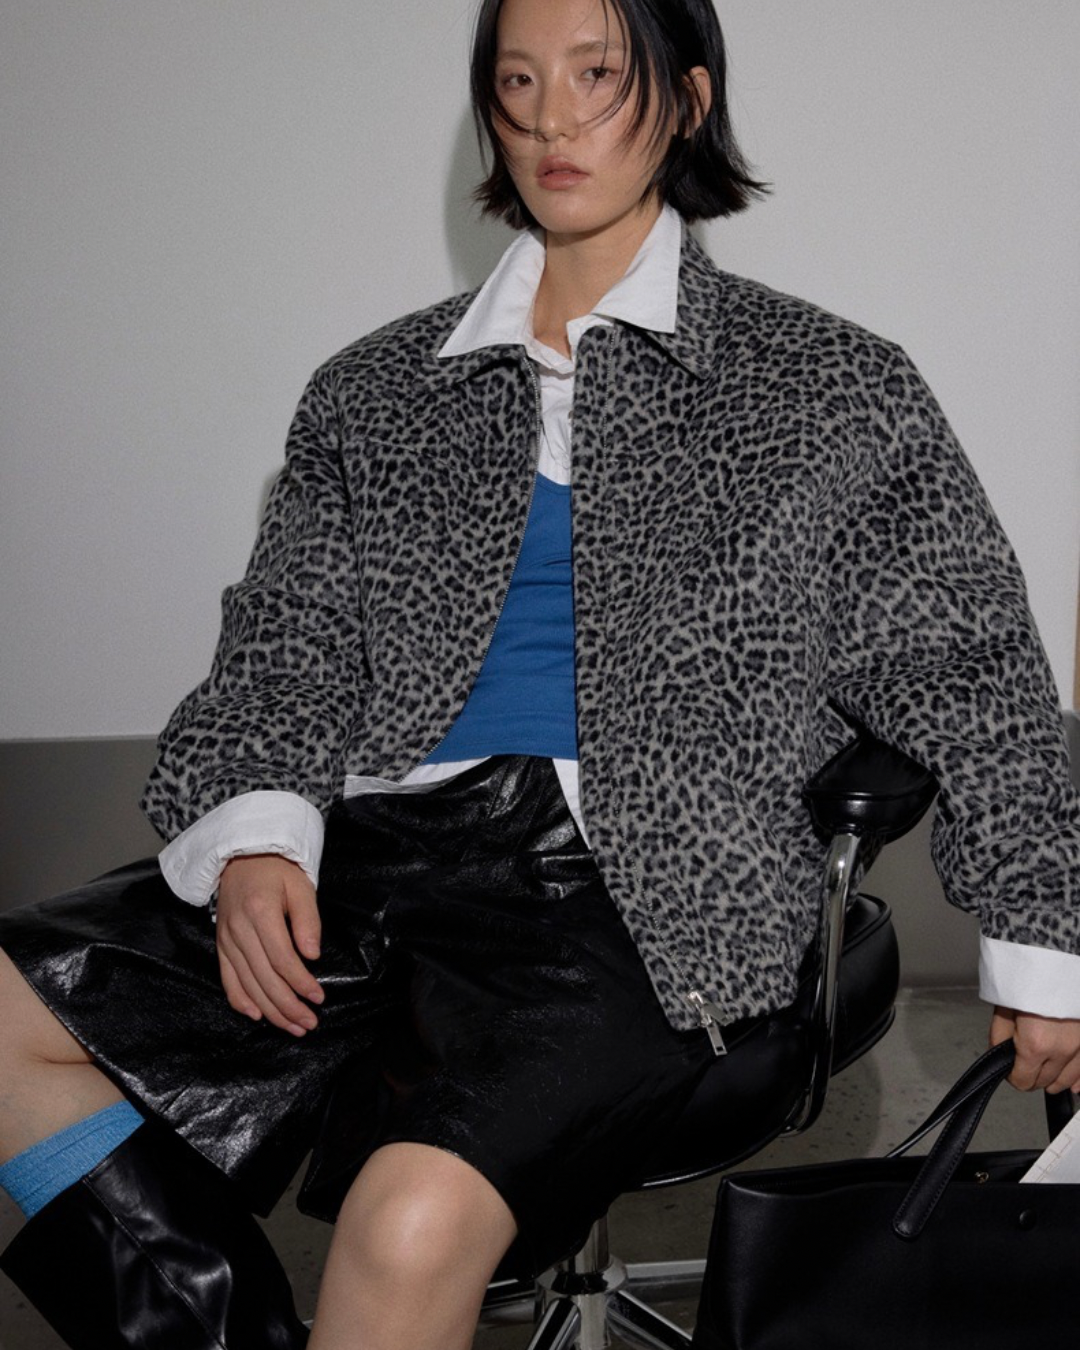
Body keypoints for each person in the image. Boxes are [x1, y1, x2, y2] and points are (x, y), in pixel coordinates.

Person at [2, 0, 1079, 1347]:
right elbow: (287, 638)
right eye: (517, 82)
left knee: (406, 1220)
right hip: (385, 852)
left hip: (648, 892)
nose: (552, 119)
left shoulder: (828, 387)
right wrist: (261, 831)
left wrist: (1043, 942)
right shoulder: (375, 392)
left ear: (687, 101)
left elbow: (971, 670)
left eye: (596, 75)